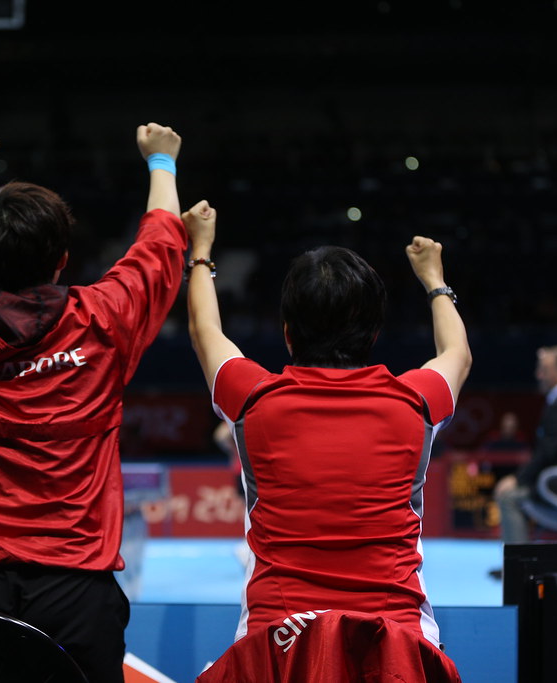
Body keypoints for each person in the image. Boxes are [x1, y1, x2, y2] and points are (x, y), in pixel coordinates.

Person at [0, 124, 185, 683]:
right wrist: (161, 162)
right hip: (76, 593)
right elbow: (162, 243)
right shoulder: (103, 318)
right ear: (63, 259)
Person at [185, 200, 470, 682]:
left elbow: (204, 330)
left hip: (276, 647)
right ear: (373, 333)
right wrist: (434, 280)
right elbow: (457, 352)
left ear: (287, 333)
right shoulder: (416, 401)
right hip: (398, 648)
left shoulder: (253, 398)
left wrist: (201, 251)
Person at [493, 345, 557, 544]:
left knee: (508, 497)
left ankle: (518, 560)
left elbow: (546, 453)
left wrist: (517, 479)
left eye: (544, 369)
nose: (538, 375)